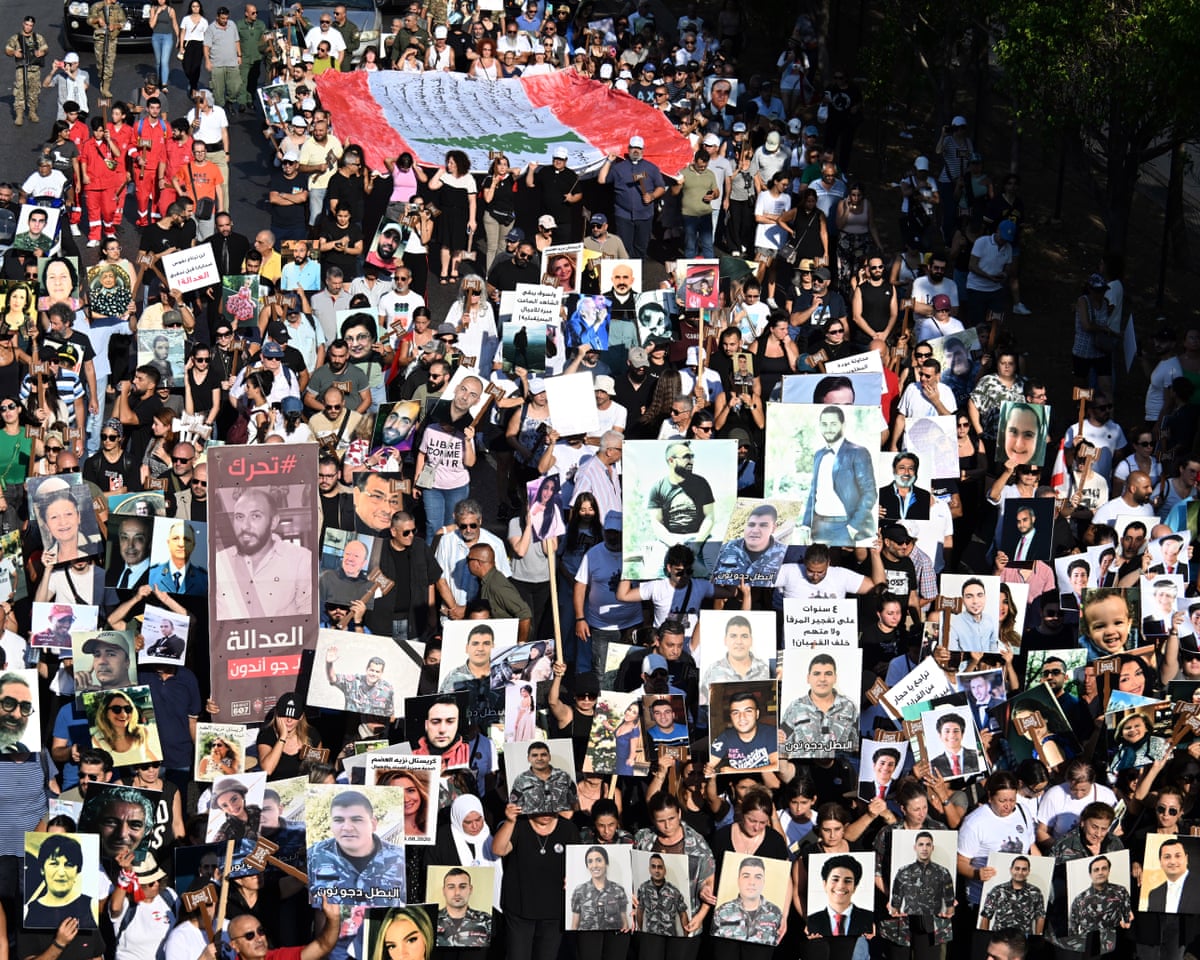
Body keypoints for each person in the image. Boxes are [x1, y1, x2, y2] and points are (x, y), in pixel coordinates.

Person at [213, 486, 313, 618]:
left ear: (273, 522)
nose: (245, 526)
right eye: (239, 517)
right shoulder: (219, 562)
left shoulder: (300, 559)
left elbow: (308, 619)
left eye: (255, 516)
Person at [308, 790, 406, 904]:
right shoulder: (314, 856)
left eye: (356, 820)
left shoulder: (400, 859)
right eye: (339, 820)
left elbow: (415, 905)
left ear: (373, 824)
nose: (347, 827)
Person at [799, 406, 877, 546]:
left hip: (844, 527)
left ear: (843, 425)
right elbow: (813, 492)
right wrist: (806, 525)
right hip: (818, 526)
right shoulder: (818, 455)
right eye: (824, 424)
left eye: (833, 424)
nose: (828, 428)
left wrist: (853, 527)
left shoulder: (858, 452)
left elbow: (869, 493)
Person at [779, 654, 859, 758]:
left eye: (828, 674)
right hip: (803, 767)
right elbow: (782, 749)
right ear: (808, 678)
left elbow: (855, 748)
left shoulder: (849, 707)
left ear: (835, 678)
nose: (822, 679)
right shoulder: (795, 708)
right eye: (817, 674)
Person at [711, 855, 783, 945]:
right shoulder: (721, 911)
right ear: (738, 880)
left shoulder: (776, 913)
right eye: (746, 876)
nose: (751, 882)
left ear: (763, 882)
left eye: (758, 877)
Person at [711, 504, 788, 587]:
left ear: (773, 528)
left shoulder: (785, 555)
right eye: (751, 524)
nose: (755, 530)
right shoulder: (725, 549)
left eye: (763, 525)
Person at [887, 831, 956, 922]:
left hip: (934, 923)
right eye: (921, 845)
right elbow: (895, 905)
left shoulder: (943, 873)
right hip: (909, 923)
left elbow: (950, 905)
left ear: (932, 848)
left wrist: (945, 923)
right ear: (915, 847)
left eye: (928, 845)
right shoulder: (903, 872)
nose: (924, 848)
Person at [1066, 855, 1132, 948]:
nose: (1100, 872)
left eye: (1104, 868)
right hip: (1090, 947)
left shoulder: (1120, 891)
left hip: (1116, 945)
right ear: (1090, 874)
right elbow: (1072, 931)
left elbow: (1129, 920)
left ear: (1109, 871)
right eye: (1096, 870)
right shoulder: (1079, 899)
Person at [708, 690, 778, 773]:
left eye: (748, 711)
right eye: (736, 712)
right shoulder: (725, 737)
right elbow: (708, 765)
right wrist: (708, 770)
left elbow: (777, 766)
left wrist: (737, 771)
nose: (742, 717)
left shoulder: (771, 733)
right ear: (731, 717)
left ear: (757, 714)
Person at [805, 854, 873, 937]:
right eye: (835, 879)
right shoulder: (812, 921)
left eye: (847, 881)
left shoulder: (869, 919)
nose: (840, 886)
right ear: (825, 884)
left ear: (855, 887)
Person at [979, 855, 1046, 934]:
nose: (1020, 872)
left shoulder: (1035, 892)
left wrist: (1038, 938)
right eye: (1017, 868)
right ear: (1011, 870)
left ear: (1028, 871)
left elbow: (1040, 917)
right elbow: (985, 916)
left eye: (1024, 869)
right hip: (1000, 937)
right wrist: (983, 937)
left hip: (1023, 938)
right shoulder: (997, 890)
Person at [570, 845, 630, 931]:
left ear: (606, 863)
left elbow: (624, 923)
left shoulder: (618, 890)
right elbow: (574, 925)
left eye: (599, 860)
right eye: (590, 861)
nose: (594, 865)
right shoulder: (579, 891)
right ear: (587, 865)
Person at [509, 741, 577, 815]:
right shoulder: (521, 780)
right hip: (534, 821)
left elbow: (575, 802)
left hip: (562, 820)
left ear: (549, 757)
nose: (539, 758)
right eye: (535, 755)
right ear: (528, 758)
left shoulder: (564, 776)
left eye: (543, 755)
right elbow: (515, 808)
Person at [324, 648, 394, 717]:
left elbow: (390, 714)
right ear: (367, 669)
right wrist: (329, 664)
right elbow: (333, 678)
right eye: (372, 670)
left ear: (381, 673)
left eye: (377, 672)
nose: (373, 674)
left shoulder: (387, 690)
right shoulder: (353, 682)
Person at [147, 521, 208, 595]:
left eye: (187, 539)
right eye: (176, 538)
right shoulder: (152, 575)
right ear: (168, 543)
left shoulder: (205, 580)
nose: (181, 544)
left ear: (193, 545)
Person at [636, 853, 690, 936]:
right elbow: (639, 910)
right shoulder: (643, 888)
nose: (657, 870)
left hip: (670, 937)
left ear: (665, 870)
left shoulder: (674, 891)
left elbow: (683, 914)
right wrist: (639, 931)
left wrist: (686, 936)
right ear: (649, 869)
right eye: (653, 866)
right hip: (650, 936)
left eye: (660, 867)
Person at [436, 867, 492, 947]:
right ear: (444, 891)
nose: (457, 893)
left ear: (470, 889)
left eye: (462, 887)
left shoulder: (486, 920)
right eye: (451, 887)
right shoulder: (431, 920)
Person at [1145, 837, 1200, 912]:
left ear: (1186, 859)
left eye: (1178, 856)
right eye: (1167, 857)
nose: (1173, 862)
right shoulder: (1154, 895)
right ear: (1160, 862)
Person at [948, 578, 998, 653]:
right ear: (963, 600)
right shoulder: (954, 624)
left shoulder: (989, 619)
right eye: (969, 597)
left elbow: (993, 644)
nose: (975, 601)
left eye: (980, 595)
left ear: (985, 597)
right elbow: (953, 654)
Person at [929, 712, 980, 778]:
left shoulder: (977, 755)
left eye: (956, 731)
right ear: (940, 735)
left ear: (962, 734)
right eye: (947, 731)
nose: (952, 735)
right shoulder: (933, 764)